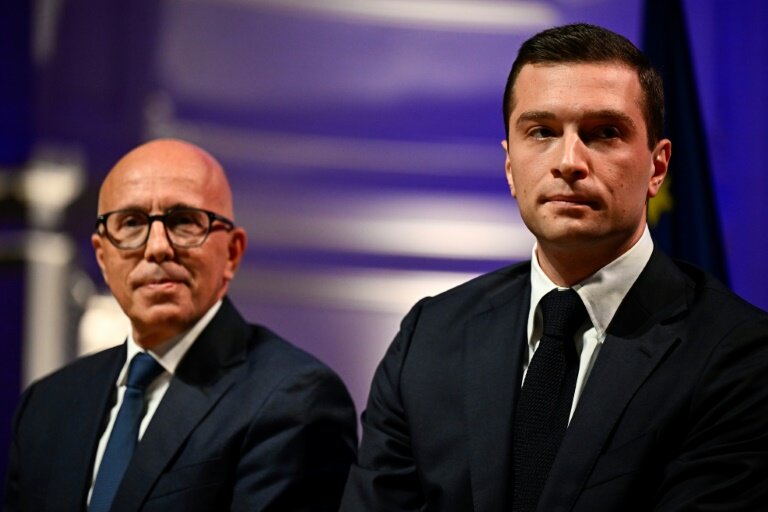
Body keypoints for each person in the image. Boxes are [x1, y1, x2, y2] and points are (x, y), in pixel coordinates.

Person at [340, 23, 768, 512]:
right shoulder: (429, 335)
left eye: (604, 133)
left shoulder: (740, 356)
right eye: (541, 132)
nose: (569, 161)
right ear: (509, 168)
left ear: (658, 167)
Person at [3, 139, 357, 511]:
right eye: (131, 223)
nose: (157, 247)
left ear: (232, 253)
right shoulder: (47, 405)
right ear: (103, 257)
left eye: (184, 221)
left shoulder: (295, 400)